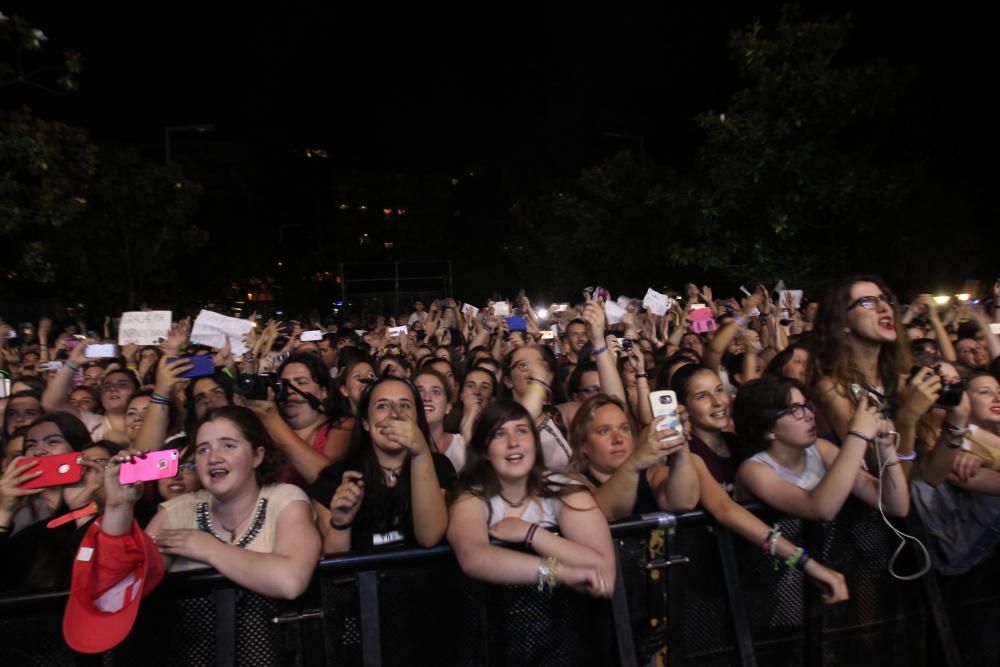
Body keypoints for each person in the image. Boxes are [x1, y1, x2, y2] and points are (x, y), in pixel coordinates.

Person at [570, 394, 849, 602]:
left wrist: (680, 450)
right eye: (604, 431)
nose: (618, 439)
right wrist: (633, 463)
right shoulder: (571, 484)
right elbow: (608, 512)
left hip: (675, 598)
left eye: (624, 429)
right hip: (608, 606)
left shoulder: (655, 474)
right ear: (583, 445)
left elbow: (691, 503)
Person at [100, 406, 320, 599]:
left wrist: (209, 549)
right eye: (203, 449)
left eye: (228, 446)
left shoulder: (285, 500)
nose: (213, 458)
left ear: (257, 456)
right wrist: (117, 508)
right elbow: (122, 592)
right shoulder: (178, 512)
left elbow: (290, 582)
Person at [447, 400, 615, 597]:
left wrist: (532, 534)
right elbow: (473, 558)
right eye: (499, 434)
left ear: (534, 443)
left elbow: (604, 568)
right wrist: (557, 572)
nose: (513, 442)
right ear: (485, 451)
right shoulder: (470, 495)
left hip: (564, 618)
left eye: (521, 431)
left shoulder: (562, 488)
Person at [734, 377, 910, 521]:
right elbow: (820, 509)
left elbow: (896, 506)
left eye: (806, 406)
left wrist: (885, 447)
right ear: (768, 430)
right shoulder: (753, 470)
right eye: (795, 410)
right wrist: (857, 435)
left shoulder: (819, 448)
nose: (810, 415)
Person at [311, 376, 454, 553]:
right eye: (382, 405)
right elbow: (337, 566)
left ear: (417, 419)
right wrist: (341, 524)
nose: (394, 414)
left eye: (405, 405)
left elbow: (429, 537)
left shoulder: (438, 467)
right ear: (365, 422)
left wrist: (420, 453)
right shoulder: (335, 479)